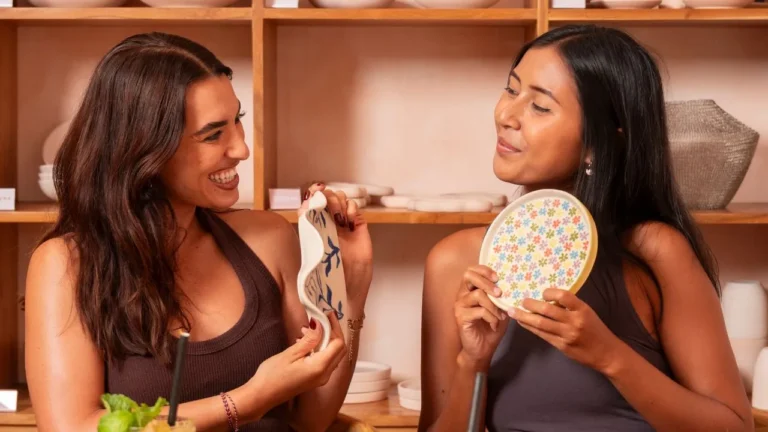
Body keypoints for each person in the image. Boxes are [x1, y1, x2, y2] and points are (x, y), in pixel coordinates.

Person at [25, 32, 373, 432]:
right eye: (213, 134)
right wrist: (250, 399)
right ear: (143, 148)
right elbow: (72, 427)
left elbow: (311, 421)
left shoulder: (268, 239)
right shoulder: (65, 266)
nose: (241, 149)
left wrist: (351, 286)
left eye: (237, 121)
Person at [419, 24, 753, 432]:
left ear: (601, 141)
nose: (506, 115)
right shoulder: (456, 262)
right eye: (511, 89)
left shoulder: (654, 251)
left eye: (539, 107)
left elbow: (734, 427)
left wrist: (608, 355)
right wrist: (473, 362)